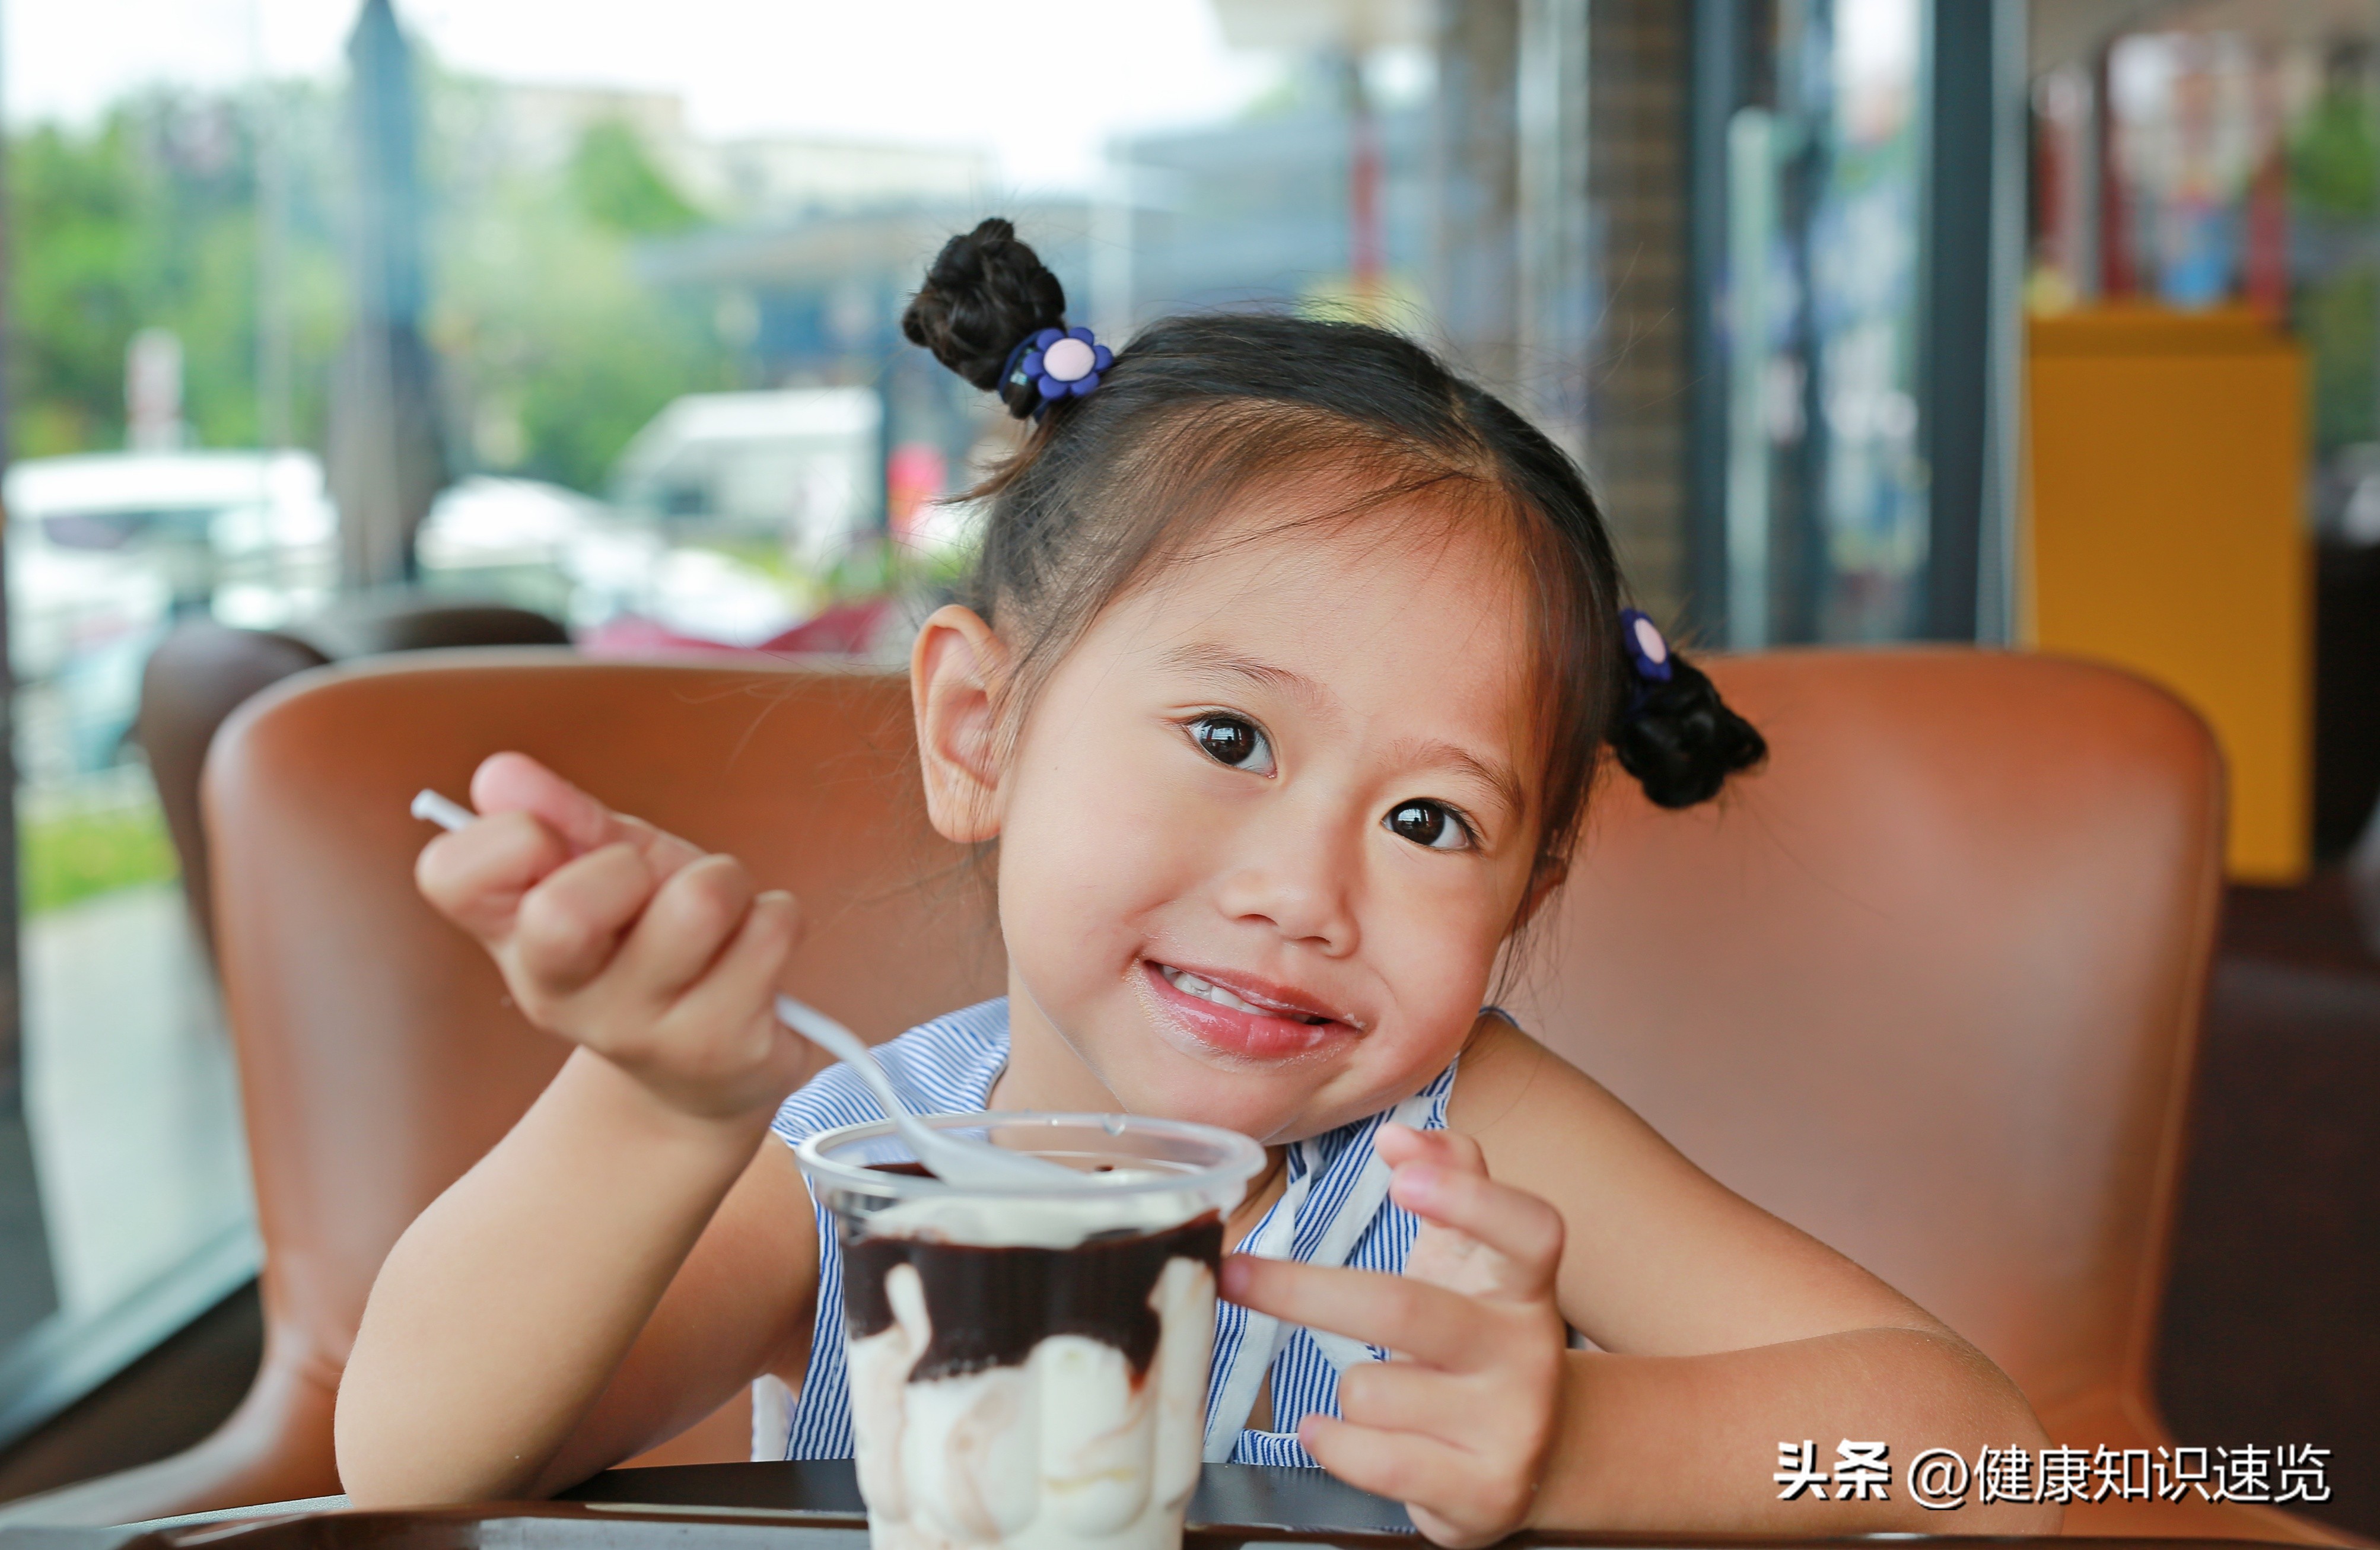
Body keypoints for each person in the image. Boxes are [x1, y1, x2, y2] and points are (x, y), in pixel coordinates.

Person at [336, 219, 2056, 1546]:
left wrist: (1579, 1442)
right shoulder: (869, 1167)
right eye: (1228, 738)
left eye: (1430, 825)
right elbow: (415, 1459)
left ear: (1528, 893)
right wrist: (653, 1103)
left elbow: (1977, 1454)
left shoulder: (1455, 1153)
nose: (1304, 893)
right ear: (978, 731)